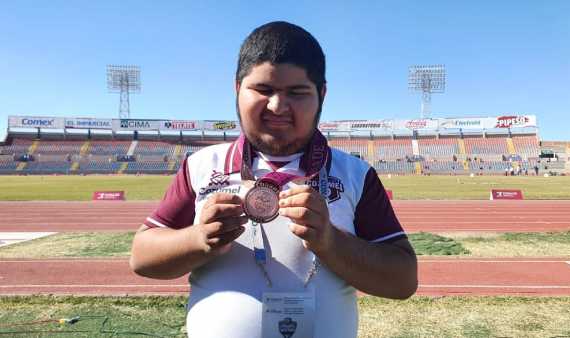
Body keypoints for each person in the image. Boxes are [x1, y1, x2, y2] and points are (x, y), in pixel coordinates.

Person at [129, 21, 417, 338]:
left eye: (297, 92)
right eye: (263, 90)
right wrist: (199, 239)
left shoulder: (354, 174)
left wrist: (332, 243)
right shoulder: (201, 166)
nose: (278, 106)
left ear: (321, 94)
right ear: (237, 89)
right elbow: (142, 256)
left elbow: (403, 280)